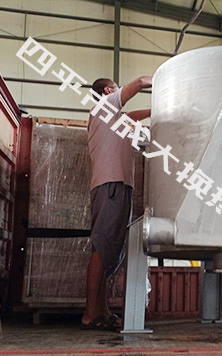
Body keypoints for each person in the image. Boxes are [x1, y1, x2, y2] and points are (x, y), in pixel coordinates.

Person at [81, 76, 152, 330]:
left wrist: (156, 110)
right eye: (116, 88)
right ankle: (90, 313)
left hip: (117, 185)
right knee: (103, 248)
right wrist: (167, 83)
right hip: (111, 184)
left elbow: (131, 117)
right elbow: (141, 82)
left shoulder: (111, 118)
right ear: (108, 91)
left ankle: (101, 310)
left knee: (109, 250)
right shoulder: (105, 105)